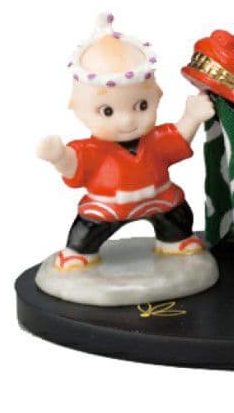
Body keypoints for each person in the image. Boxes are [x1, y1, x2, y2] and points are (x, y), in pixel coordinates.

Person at [36, 14, 214, 272]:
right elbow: (75, 166)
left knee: (177, 217)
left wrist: (192, 117)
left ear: (157, 97)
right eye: (107, 111)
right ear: (78, 109)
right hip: (108, 205)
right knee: (86, 233)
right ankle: (79, 254)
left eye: (142, 106)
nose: (128, 120)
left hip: (159, 197)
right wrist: (59, 157)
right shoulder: (91, 150)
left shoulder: (154, 140)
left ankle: (175, 241)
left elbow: (176, 139)